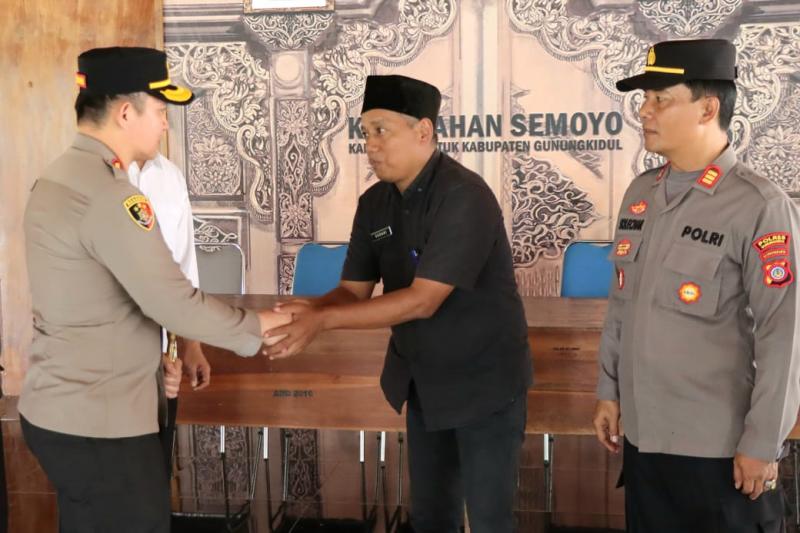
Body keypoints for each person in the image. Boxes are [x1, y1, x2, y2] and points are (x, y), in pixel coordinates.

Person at [20, 46, 288, 533]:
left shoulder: (60, 177)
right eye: (160, 111)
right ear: (126, 113)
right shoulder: (110, 193)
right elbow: (170, 300)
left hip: (69, 409)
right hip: (101, 425)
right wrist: (263, 325)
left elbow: (103, 304)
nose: (165, 125)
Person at [263, 74, 532, 533]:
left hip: (484, 381)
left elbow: (423, 300)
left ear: (423, 131)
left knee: (489, 520)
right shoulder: (375, 203)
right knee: (431, 517)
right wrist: (309, 311)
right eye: (365, 132)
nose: (370, 144)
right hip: (424, 380)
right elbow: (353, 290)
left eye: (381, 130)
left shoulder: (464, 196)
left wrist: (322, 322)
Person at [592, 38, 800, 533]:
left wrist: (762, 443)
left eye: (661, 99)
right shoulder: (641, 193)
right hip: (644, 442)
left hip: (719, 451)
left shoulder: (758, 205)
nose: (644, 111)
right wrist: (609, 390)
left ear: (708, 108)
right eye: (645, 98)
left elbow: (784, 336)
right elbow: (621, 304)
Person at [128, 153, 210, 471]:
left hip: (164, 363)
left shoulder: (170, 176)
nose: (164, 128)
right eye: (160, 124)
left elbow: (185, 271)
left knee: (156, 467)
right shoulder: (98, 174)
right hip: (114, 364)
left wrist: (192, 344)